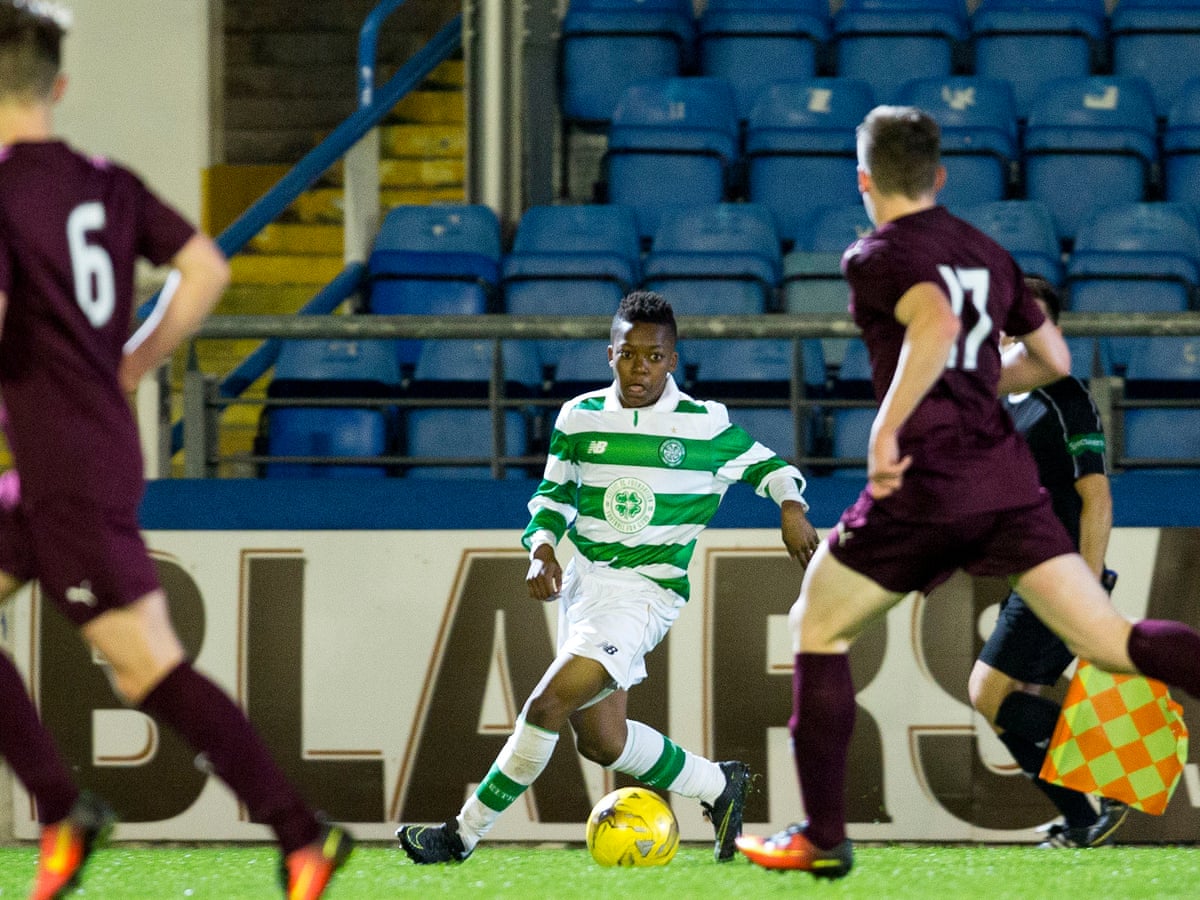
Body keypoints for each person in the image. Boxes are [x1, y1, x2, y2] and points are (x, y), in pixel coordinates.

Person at [736, 105, 1200, 879]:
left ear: (864, 180)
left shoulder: (874, 255)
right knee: (1110, 643)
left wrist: (887, 429)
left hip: (924, 483)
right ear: (940, 177)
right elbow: (1050, 354)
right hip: (1008, 489)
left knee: (817, 628)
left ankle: (822, 834)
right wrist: (985, 379)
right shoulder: (988, 251)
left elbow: (936, 326)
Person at [0, 3, 352, 898]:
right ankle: (58, 807)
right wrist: (138, 358)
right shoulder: (104, 180)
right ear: (59, 88)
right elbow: (205, 265)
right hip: (82, 450)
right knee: (142, 664)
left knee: (147, 668)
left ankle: (301, 833)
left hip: (63, 469)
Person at [396, 290, 821, 865]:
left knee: (546, 706)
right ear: (609, 354)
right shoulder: (579, 416)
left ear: (673, 359)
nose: (639, 368)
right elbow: (554, 495)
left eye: (652, 356)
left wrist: (790, 507)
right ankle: (720, 786)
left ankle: (462, 834)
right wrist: (542, 549)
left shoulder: (703, 426)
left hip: (645, 594)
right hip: (585, 585)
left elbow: (774, 469)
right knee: (602, 741)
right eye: (627, 355)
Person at [970, 275, 1128, 848]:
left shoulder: (1065, 395)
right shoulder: (1001, 400)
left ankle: (1106, 776)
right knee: (1015, 704)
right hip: (1032, 575)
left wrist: (1086, 585)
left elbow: (1097, 495)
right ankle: (1084, 821)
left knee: (987, 694)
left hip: (1063, 575)